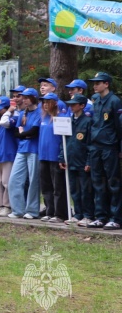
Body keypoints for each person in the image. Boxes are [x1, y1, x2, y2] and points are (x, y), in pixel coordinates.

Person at [86, 72, 122, 230]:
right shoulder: (96, 101)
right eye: (94, 82)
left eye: (98, 82)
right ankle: (101, 216)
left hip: (109, 147)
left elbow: (119, 126)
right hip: (96, 147)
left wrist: (118, 146)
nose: (95, 85)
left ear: (106, 84)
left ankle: (116, 217)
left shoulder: (114, 101)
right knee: (97, 182)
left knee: (113, 182)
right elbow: (94, 124)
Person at [6, 88, 42, 219]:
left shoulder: (39, 112)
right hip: (21, 150)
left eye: (27, 97)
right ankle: (18, 210)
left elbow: (34, 131)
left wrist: (23, 134)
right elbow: (16, 133)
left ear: (33, 98)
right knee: (14, 180)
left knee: (33, 181)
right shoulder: (22, 113)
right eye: (23, 97)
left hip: (34, 150)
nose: (24, 100)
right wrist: (23, 135)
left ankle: (32, 211)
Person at [60, 94, 93, 226]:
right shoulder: (68, 121)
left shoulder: (88, 122)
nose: (71, 107)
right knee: (74, 189)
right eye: (70, 104)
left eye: (74, 104)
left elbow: (91, 143)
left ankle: (88, 215)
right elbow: (63, 141)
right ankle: (77, 214)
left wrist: (89, 161)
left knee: (86, 190)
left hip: (82, 161)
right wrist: (62, 157)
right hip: (70, 161)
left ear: (82, 106)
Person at [38, 92, 67, 223]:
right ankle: (49, 211)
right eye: (43, 102)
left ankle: (60, 213)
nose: (45, 105)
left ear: (55, 103)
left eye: (47, 102)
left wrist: (62, 156)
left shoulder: (60, 117)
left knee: (58, 187)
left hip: (55, 156)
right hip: (43, 156)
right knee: (46, 186)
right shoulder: (44, 118)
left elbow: (64, 139)